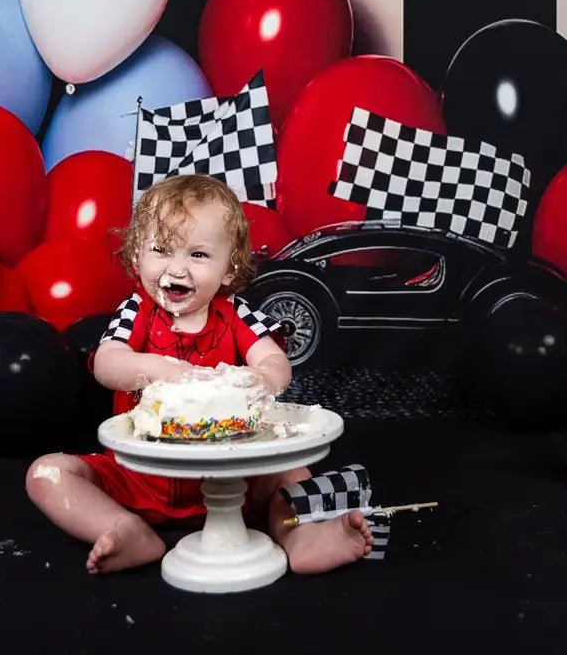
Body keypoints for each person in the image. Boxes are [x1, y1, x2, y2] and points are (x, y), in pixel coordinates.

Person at [26, 173, 373, 574]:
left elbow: (276, 363)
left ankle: (298, 537)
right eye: (161, 250)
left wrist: (261, 377)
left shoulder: (235, 312)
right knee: (48, 473)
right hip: (137, 478)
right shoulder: (137, 310)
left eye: (198, 255)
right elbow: (106, 363)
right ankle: (125, 528)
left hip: (234, 477)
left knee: (293, 472)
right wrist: (153, 368)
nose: (177, 269)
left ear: (230, 269)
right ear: (137, 258)